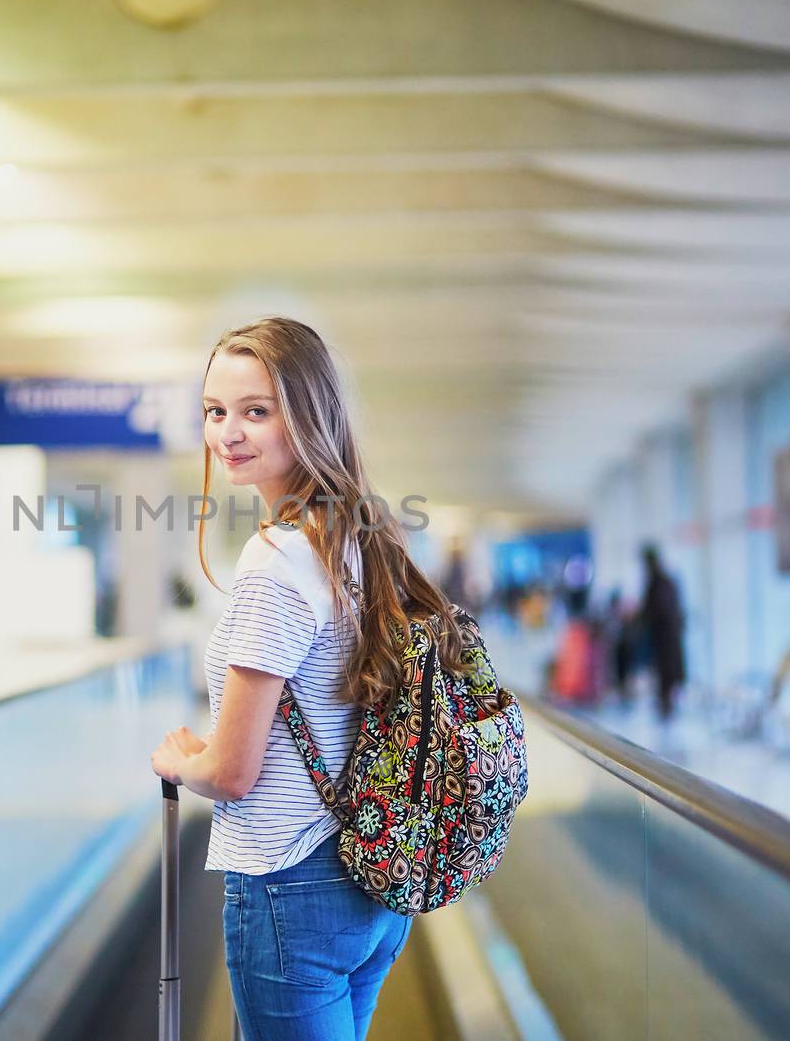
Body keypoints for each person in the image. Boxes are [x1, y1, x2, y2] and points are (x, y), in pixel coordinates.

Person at [150, 317, 472, 1041]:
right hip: (371, 874)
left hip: (289, 887)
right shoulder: (364, 538)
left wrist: (180, 761)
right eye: (215, 411)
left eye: (255, 411)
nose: (228, 432)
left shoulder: (277, 561)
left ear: (308, 414)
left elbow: (233, 773)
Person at [640, 543, 687, 721]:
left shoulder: (660, 582)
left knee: (666, 673)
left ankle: (667, 708)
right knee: (664, 674)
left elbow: (658, 610)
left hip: (665, 638)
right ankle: (665, 707)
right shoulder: (661, 581)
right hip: (664, 637)